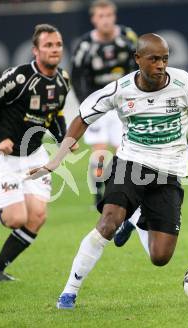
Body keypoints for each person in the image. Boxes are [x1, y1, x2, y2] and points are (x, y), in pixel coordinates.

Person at [28, 33, 188, 309]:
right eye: (154, 59)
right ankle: (69, 292)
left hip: (168, 174)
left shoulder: (184, 85)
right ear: (138, 59)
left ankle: (134, 218)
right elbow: (82, 118)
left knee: (160, 257)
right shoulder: (120, 90)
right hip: (129, 165)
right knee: (108, 223)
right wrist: (56, 159)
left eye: (165, 59)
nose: (160, 65)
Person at [0, 24, 73, 282]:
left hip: (34, 155)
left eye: (58, 44)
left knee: (37, 217)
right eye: (48, 45)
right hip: (4, 157)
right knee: (17, 218)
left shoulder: (63, 79)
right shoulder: (19, 77)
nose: (54, 49)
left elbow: (54, 114)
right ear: (35, 50)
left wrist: (65, 138)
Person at [71, 0, 138, 207]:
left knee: (124, 152)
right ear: (93, 19)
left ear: (114, 16)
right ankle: (98, 193)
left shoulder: (128, 37)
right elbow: (77, 76)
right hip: (98, 104)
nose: (106, 20)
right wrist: (87, 105)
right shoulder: (85, 45)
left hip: (123, 104)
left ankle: (119, 193)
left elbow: (138, 66)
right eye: (101, 16)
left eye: (109, 15)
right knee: (100, 153)